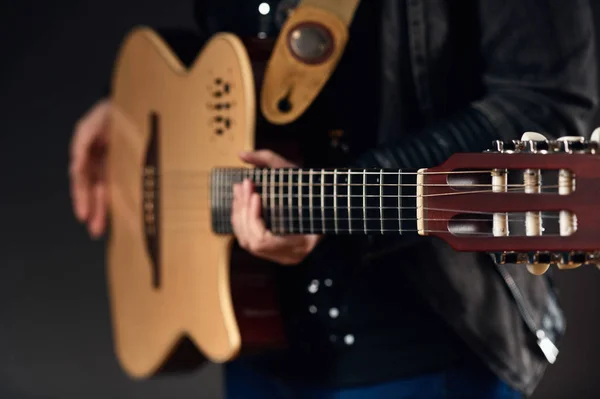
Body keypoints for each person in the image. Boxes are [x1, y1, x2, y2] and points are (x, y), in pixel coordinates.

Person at [69, 0, 598, 398]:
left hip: (424, 350)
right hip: (255, 337)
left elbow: (547, 104)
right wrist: (135, 111)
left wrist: (338, 186)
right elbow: (229, 43)